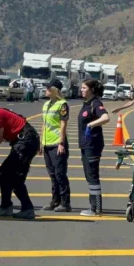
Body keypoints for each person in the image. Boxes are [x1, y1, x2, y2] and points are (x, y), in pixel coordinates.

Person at [0, 97, 40, 219]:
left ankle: (27, 208)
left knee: (14, 176)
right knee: (4, 173)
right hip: (23, 141)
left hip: (26, 141)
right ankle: (6, 206)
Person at [78, 79, 110, 216]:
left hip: (93, 145)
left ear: (91, 90)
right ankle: (93, 206)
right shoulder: (86, 104)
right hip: (85, 145)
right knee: (88, 175)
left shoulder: (95, 103)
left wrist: (91, 125)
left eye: (84, 88)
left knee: (92, 176)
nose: (81, 90)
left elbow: (106, 117)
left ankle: (95, 208)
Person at [41, 78, 72, 212]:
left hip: (57, 143)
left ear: (55, 90)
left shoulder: (62, 104)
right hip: (47, 143)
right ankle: (55, 200)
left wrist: (61, 143)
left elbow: (63, 124)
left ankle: (65, 203)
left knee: (60, 174)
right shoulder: (46, 105)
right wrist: (41, 142)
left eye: (48, 88)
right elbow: (44, 124)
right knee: (52, 174)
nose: (46, 90)